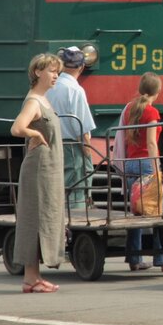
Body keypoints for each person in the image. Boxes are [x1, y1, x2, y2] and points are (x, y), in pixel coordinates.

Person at [9, 53, 66, 293]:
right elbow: (16, 128)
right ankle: (30, 279)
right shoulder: (33, 101)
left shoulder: (44, 100)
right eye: (52, 71)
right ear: (37, 72)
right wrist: (35, 134)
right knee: (35, 218)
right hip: (39, 168)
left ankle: (34, 277)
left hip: (48, 168)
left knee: (44, 217)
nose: (56, 76)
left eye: (57, 72)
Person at [121, 72, 163, 271]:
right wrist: (156, 165)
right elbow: (150, 141)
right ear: (157, 91)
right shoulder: (151, 112)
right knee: (161, 212)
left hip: (131, 163)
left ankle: (134, 259)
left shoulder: (129, 110)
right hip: (146, 164)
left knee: (137, 213)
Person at [47, 46, 96, 210]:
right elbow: (82, 129)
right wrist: (88, 154)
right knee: (76, 191)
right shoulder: (76, 90)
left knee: (55, 189)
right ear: (81, 67)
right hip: (72, 148)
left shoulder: (49, 87)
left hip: (51, 144)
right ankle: (74, 226)